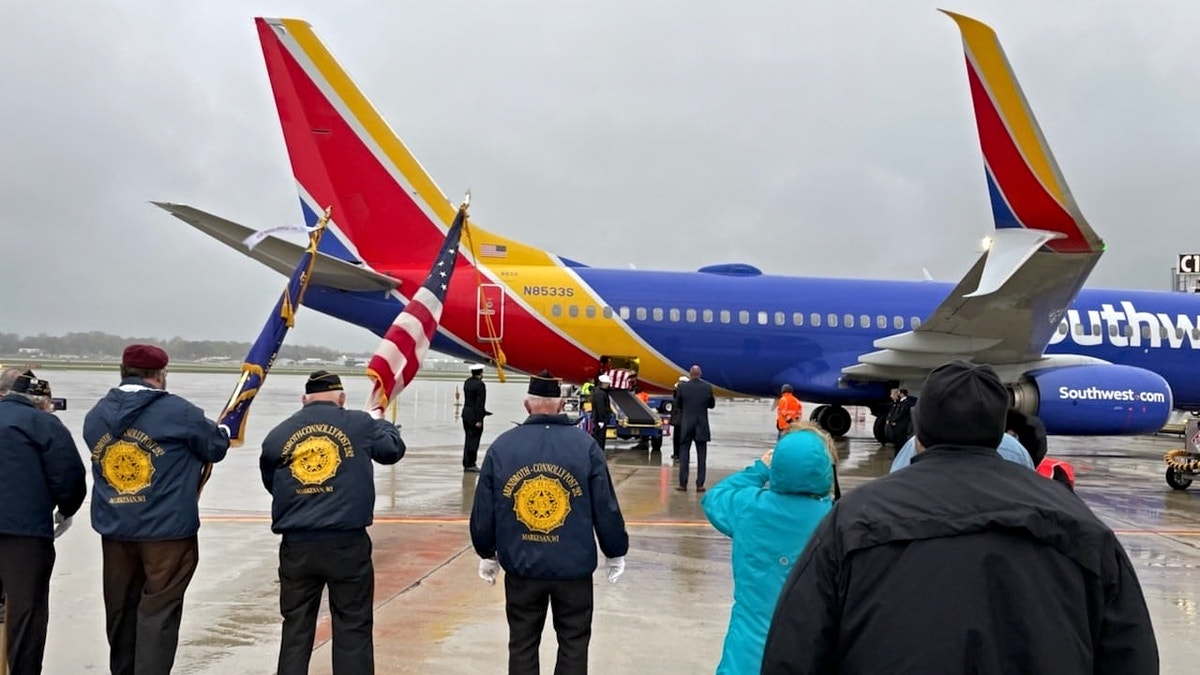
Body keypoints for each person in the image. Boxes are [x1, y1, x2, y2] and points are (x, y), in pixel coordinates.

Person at [762, 361, 1159, 673]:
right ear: (1001, 433)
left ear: (919, 432)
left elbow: (794, 651)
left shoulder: (854, 518)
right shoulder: (1079, 523)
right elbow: (1130, 654)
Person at [83, 344, 231, 675]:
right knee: (159, 612)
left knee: (121, 613)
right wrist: (223, 429)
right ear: (160, 376)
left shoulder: (95, 415)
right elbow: (216, 447)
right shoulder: (178, 411)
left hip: (115, 529)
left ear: (122, 371)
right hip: (167, 533)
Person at [469, 370, 629, 675]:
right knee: (574, 643)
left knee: (522, 643)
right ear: (559, 405)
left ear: (527, 406)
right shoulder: (585, 446)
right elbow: (605, 506)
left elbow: (484, 509)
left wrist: (486, 552)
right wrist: (615, 550)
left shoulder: (503, 447)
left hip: (522, 566)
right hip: (573, 568)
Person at [259, 370, 404, 675]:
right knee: (353, 623)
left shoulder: (278, 434)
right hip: (346, 543)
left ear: (304, 399)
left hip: (297, 545)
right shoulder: (360, 423)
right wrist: (380, 421)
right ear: (341, 399)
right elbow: (391, 451)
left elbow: (273, 482)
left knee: (296, 627)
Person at [701, 424, 834, 675]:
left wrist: (760, 469)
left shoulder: (749, 508)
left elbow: (715, 497)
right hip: (807, 658)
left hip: (744, 660)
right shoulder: (837, 521)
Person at [0, 371, 86, 675]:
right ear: (43, 402)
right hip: (24, 534)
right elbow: (69, 475)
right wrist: (66, 509)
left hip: (21, 529)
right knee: (26, 614)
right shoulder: (43, 423)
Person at [675, 365, 716, 492]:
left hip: (687, 425)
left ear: (690, 374)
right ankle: (700, 484)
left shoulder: (682, 387)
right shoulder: (707, 387)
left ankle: (683, 484)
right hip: (701, 425)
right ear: (700, 374)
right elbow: (711, 405)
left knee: (684, 455)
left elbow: (678, 404)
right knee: (701, 456)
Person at [462, 363, 491, 473]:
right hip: (475, 417)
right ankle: (471, 464)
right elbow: (479, 403)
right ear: (481, 373)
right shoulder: (480, 385)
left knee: (468, 439)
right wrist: (479, 419)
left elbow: (470, 400)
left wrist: (484, 412)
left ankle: (466, 463)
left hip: (466, 414)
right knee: (474, 441)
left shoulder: (467, 382)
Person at [590, 374, 612, 451]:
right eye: (607, 383)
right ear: (603, 383)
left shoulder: (599, 391)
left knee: (599, 437)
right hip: (600, 420)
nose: (608, 385)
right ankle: (599, 452)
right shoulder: (600, 394)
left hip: (599, 419)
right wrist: (601, 420)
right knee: (600, 438)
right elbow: (600, 407)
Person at [669, 375, 687, 460]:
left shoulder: (681, 392)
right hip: (679, 417)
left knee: (678, 437)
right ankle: (677, 454)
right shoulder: (680, 391)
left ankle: (678, 454)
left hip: (679, 417)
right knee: (678, 437)